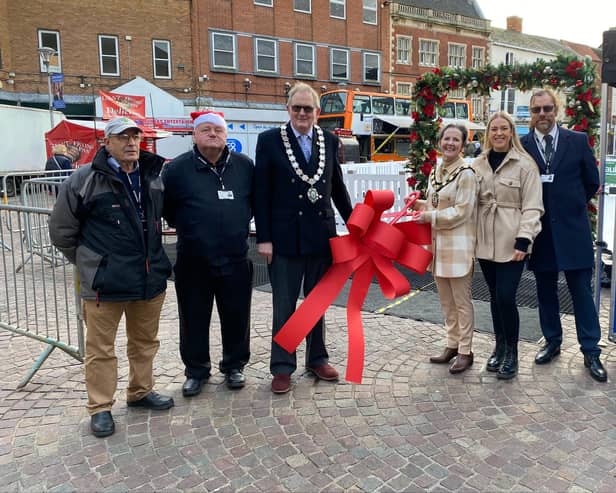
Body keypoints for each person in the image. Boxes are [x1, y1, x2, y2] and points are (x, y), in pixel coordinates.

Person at [49, 116, 174, 438]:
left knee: (145, 343)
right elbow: (62, 231)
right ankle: (100, 407)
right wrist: (92, 263)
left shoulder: (153, 176)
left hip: (148, 279)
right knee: (101, 349)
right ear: (107, 142)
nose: (132, 143)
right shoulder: (83, 180)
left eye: (136, 137)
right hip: (105, 283)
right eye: (123, 137)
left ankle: (140, 391)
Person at [254, 82, 353, 394]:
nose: (301, 113)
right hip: (283, 239)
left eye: (307, 108)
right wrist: (264, 238)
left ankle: (317, 358)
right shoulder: (269, 141)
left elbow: (337, 188)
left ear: (317, 112)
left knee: (317, 303)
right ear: (287, 110)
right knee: (284, 305)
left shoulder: (329, 140)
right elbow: (262, 193)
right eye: (296, 107)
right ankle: (282, 366)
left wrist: (356, 226)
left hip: (320, 238)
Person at [162, 111, 254, 396]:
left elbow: (253, 204)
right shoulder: (176, 170)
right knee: (193, 319)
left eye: (218, 130)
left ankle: (234, 365)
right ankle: (196, 371)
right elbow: (168, 212)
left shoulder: (245, 166)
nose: (213, 134)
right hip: (194, 260)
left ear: (226, 135)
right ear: (194, 135)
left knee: (237, 315)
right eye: (206, 130)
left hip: (235, 257)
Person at [520, 88, 607, 382]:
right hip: (541, 234)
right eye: (536, 110)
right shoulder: (524, 145)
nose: (542, 115)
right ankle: (552, 341)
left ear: (556, 110)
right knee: (545, 292)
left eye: (547, 109)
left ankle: (591, 350)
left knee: (581, 293)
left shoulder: (578, 140)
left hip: (573, 230)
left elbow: (591, 182)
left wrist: (568, 207)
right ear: (531, 114)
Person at [473, 111, 543, 379]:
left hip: (511, 241)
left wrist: (524, 239)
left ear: (512, 132)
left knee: (505, 296)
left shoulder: (525, 165)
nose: (499, 133)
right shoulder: (478, 164)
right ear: (488, 133)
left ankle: (512, 351)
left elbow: (533, 206)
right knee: (493, 297)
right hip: (484, 241)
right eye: (494, 129)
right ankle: (499, 346)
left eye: (504, 128)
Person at [410, 124, 478, 374]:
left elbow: (462, 211)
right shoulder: (436, 172)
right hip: (438, 247)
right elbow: (433, 202)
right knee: (447, 302)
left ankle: (465, 350)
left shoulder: (467, 174)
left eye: (455, 139)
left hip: (458, 247)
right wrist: (417, 204)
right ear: (440, 141)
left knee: (462, 302)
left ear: (463, 144)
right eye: (446, 138)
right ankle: (452, 343)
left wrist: (430, 217)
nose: (450, 143)